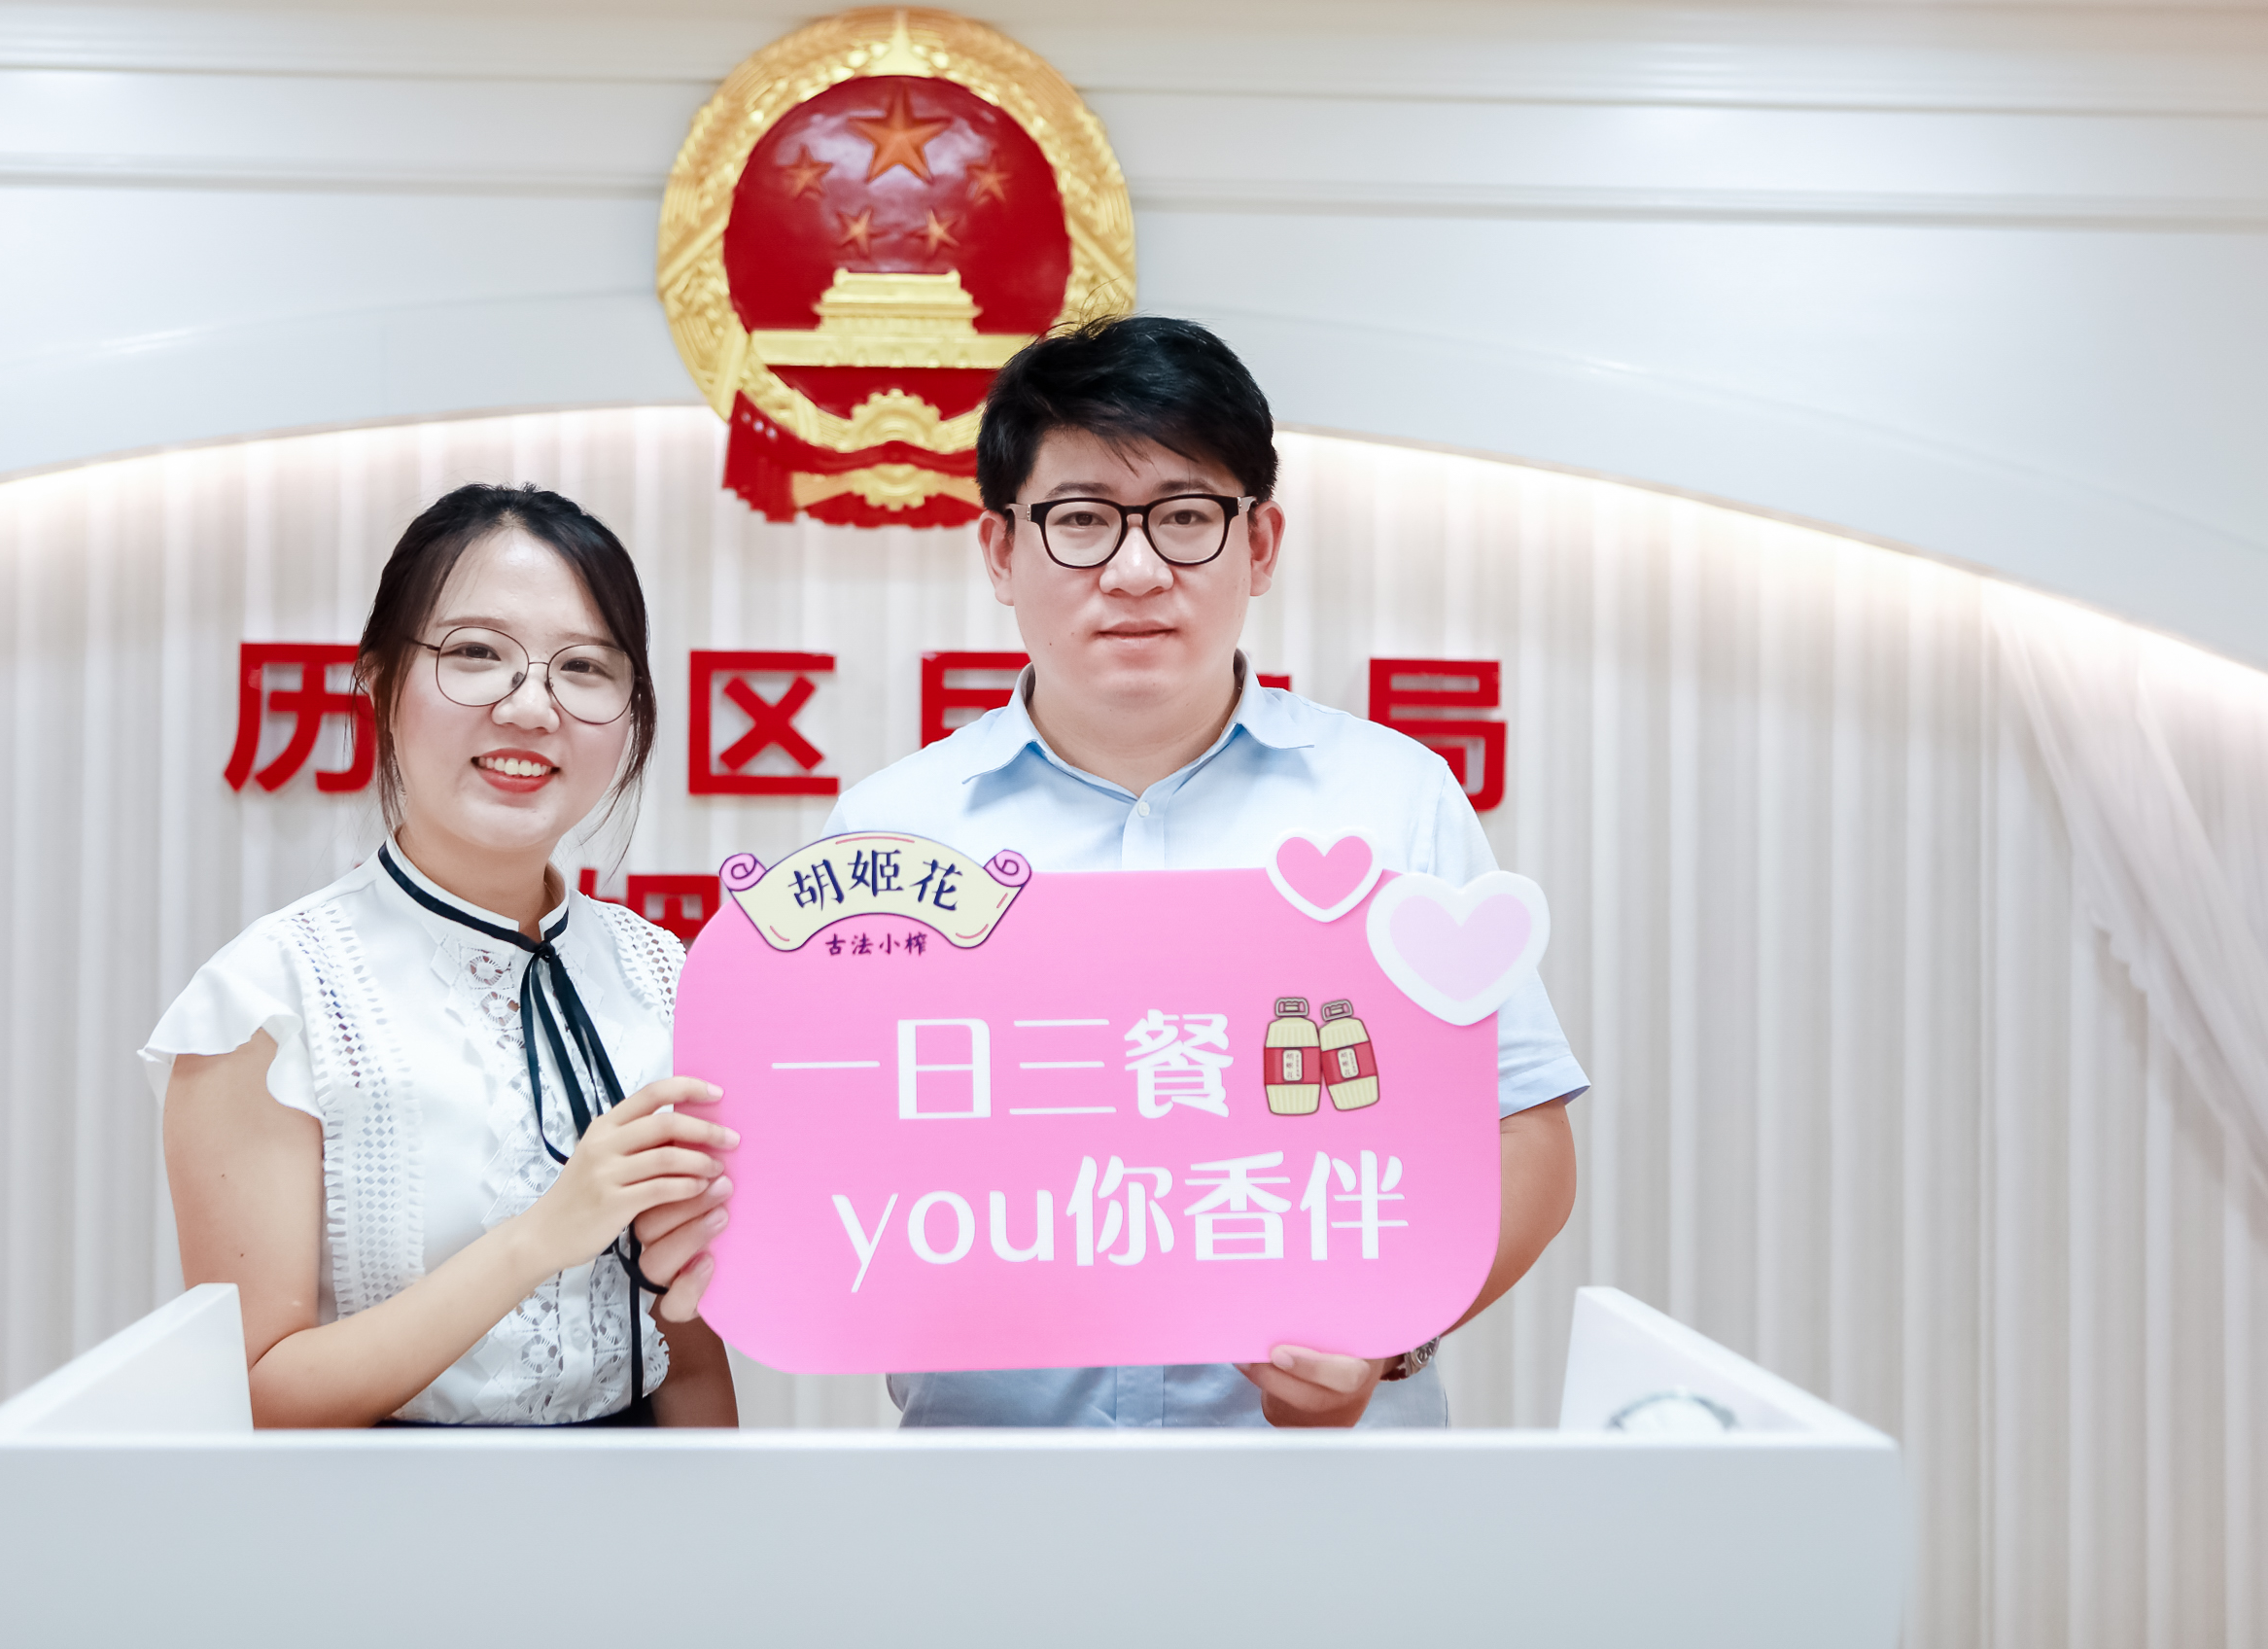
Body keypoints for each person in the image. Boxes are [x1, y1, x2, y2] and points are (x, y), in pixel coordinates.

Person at [823, 316, 1588, 1428]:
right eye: (1081, 520)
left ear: (1260, 542)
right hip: (995, 1478)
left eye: (1185, 517)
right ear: (999, 551)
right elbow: (826, 1138)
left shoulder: (1393, 798)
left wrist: (1388, 1332)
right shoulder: (891, 832)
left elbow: (1523, 1134)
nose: (1136, 572)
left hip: (1323, 1482)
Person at [145, 485, 738, 1427]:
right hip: (382, 1507)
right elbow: (255, 1396)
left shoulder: (663, 972)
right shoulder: (272, 997)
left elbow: (687, 1352)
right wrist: (539, 1238)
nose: (531, 707)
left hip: (641, 1501)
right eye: (475, 654)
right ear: (380, 682)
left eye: (584, 667)